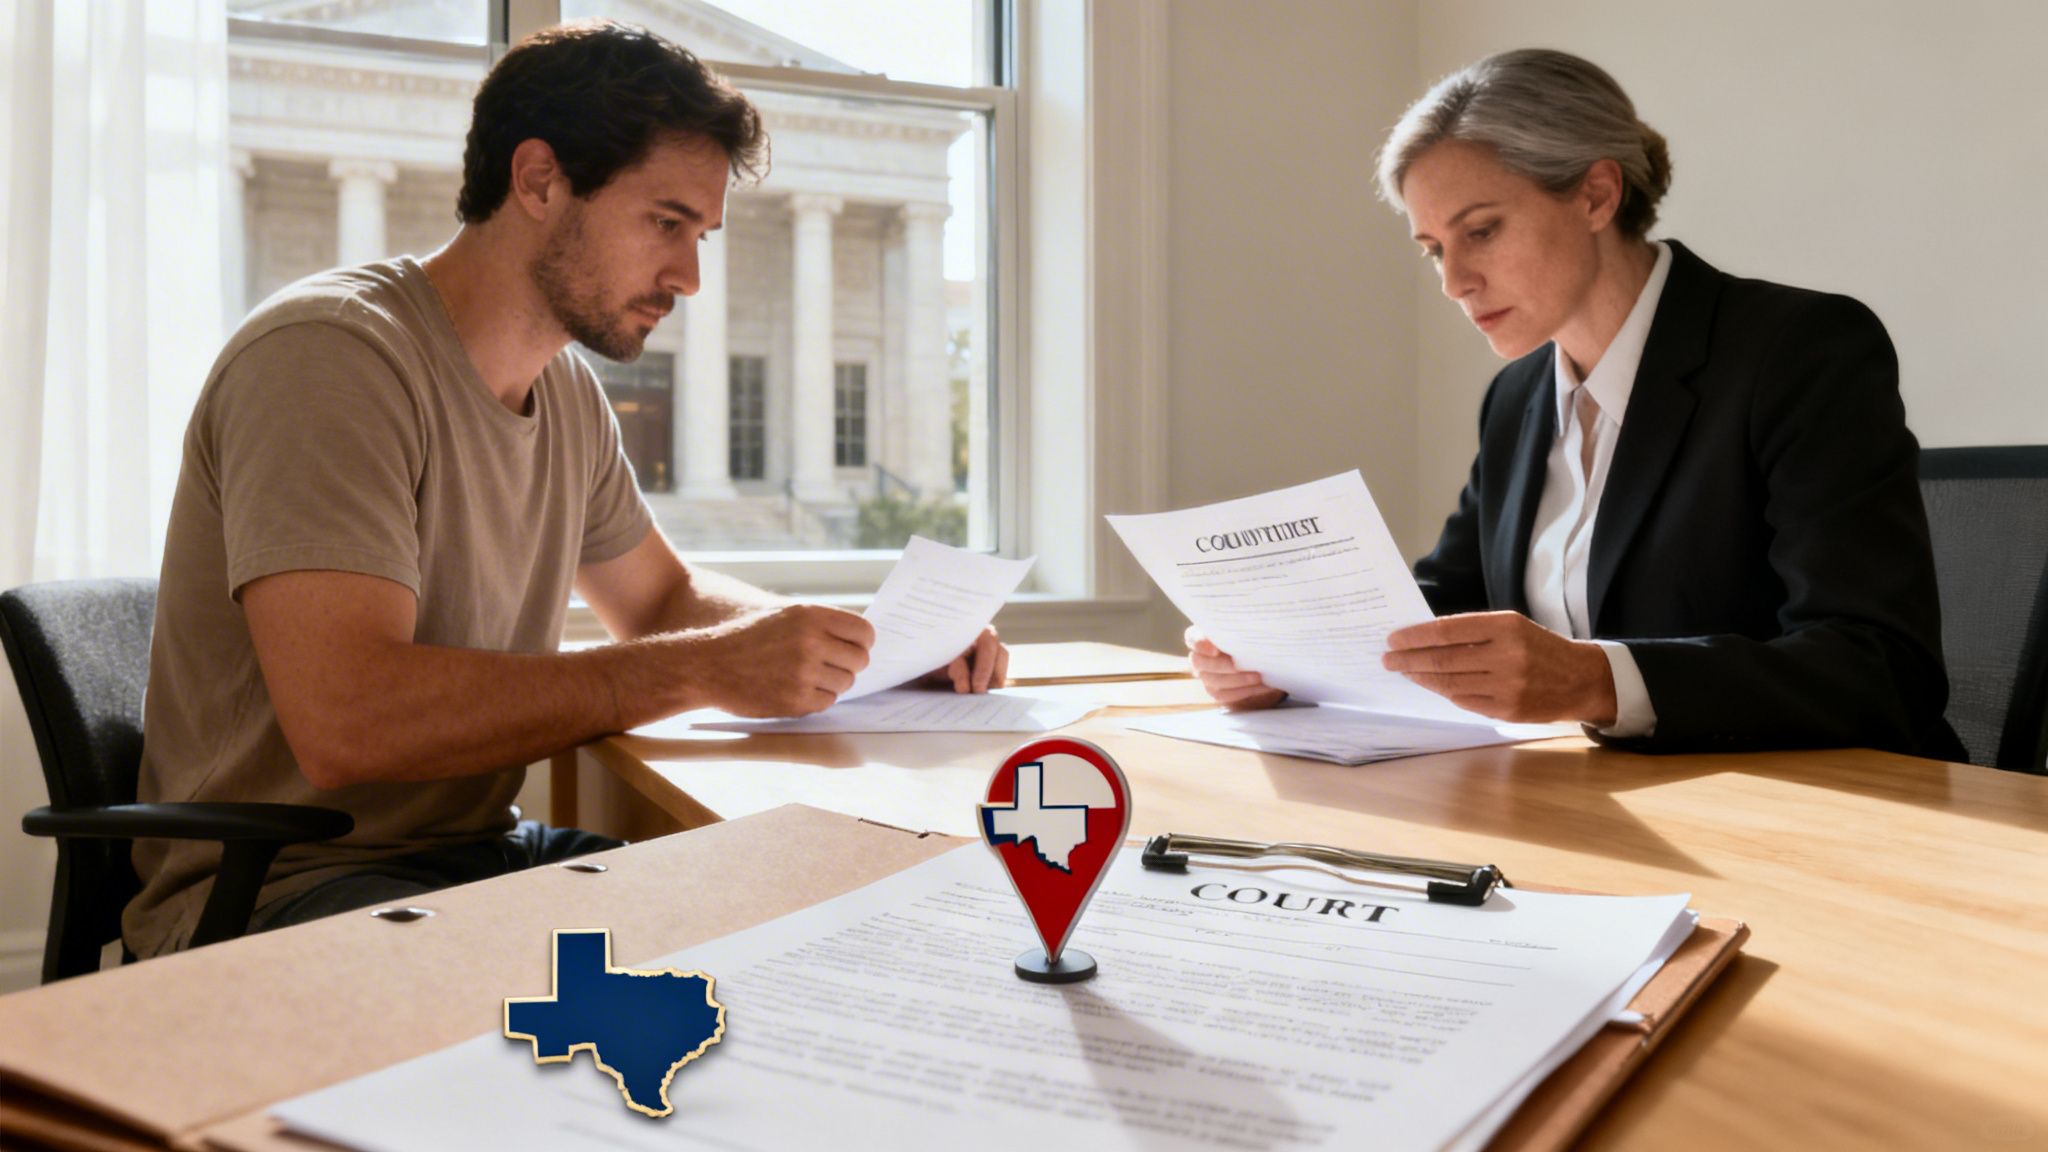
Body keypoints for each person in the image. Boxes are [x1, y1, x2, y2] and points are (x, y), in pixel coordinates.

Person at [126, 20, 1006, 960]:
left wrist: (859, 650)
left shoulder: (566, 392)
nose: (690, 277)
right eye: (666, 224)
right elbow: (349, 722)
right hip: (280, 889)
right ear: (539, 179)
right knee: (707, 990)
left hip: (468, 858)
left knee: (834, 923)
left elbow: (665, 600)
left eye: (700, 235)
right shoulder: (328, 357)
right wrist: (704, 667)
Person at [1188, 48, 1962, 759]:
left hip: (1819, 814)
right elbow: (1446, 604)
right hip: (1606, 808)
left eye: (1481, 231)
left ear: (1596, 193)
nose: (1454, 282)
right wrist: (1286, 657)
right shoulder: (1520, 394)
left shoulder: (1798, 350)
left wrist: (1596, 681)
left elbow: (1879, 666)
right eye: (1433, 251)